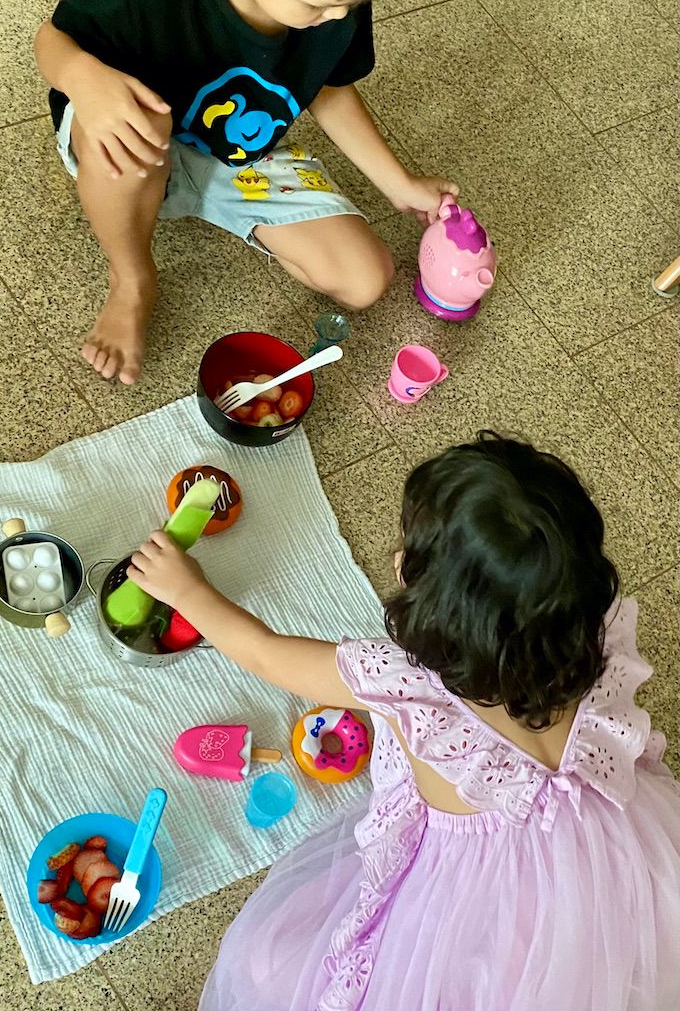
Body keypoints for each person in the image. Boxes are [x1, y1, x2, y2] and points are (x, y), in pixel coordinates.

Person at [126, 433, 680, 1010]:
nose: (397, 557)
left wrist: (187, 590)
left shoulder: (411, 684)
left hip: (468, 881)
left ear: (438, 612)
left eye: (409, 553)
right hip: (606, 852)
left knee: (393, 968)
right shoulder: (594, 639)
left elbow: (265, 653)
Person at [33, 0, 458, 385]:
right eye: (318, 5)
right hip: (129, 131)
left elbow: (330, 85)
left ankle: (213, 199)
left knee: (365, 279)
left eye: (352, 4)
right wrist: (86, 81)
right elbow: (52, 40)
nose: (338, 17)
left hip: (236, 152)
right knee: (138, 130)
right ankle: (132, 277)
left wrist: (397, 183)